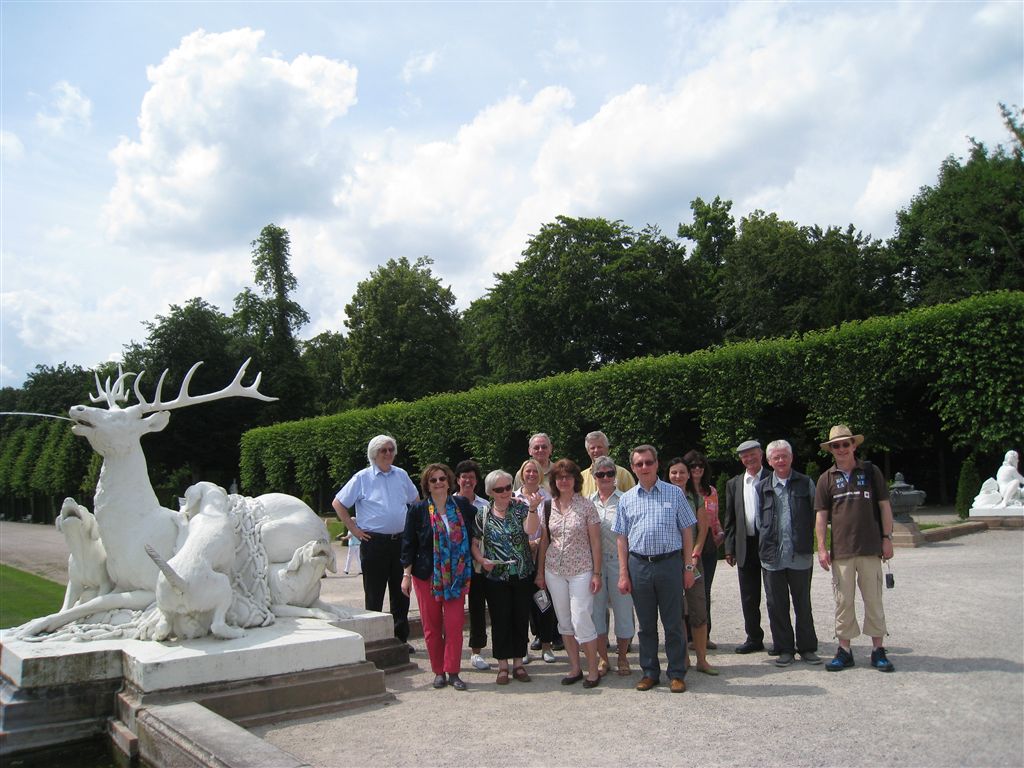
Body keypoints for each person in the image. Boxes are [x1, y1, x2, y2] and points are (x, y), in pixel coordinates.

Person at [614, 445, 698, 693]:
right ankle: (650, 672)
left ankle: (676, 673)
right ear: (633, 467)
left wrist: (689, 567)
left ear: (656, 463)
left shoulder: (674, 494)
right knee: (646, 625)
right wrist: (623, 573)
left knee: (673, 623)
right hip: (639, 565)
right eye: (639, 464)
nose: (644, 467)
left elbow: (687, 531)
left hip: (670, 564)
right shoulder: (627, 499)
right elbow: (621, 538)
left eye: (648, 462)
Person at [815, 425, 896, 673]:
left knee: (873, 600)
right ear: (831, 449)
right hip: (842, 551)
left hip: (870, 547)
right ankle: (845, 650)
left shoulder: (871, 472)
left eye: (845, 444)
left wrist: (887, 537)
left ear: (854, 445)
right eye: (836, 445)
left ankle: (877, 650)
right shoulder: (826, 478)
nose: (841, 449)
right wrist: (821, 547)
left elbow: (884, 507)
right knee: (843, 602)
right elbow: (821, 516)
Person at [333, 435, 419, 650]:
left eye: (391, 449)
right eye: (383, 450)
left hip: (400, 541)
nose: (389, 453)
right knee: (374, 592)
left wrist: (414, 528)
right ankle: (374, 640)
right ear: (374, 454)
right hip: (374, 543)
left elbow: (415, 501)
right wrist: (353, 529)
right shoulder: (362, 477)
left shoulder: (401, 475)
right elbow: (338, 503)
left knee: (401, 593)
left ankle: (400, 639)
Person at [401, 463, 475, 690]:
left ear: (449, 480)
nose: (438, 483)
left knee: (454, 625)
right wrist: (406, 575)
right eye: (433, 480)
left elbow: (476, 534)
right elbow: (408, 544)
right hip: (426, 575)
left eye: (442, 478)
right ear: (427, 485)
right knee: (431, 626)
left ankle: (453, 671)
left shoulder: (462, 505)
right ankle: (438, 671)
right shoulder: (418, 510)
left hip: (456, 575)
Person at [536, 458, 603, 688]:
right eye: (559, 477)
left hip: (581, 569)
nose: (564, 480)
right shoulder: (547, 506)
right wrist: (540, 573)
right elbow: (545, 541)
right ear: (554, 481)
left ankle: (593, 669)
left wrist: (597, 573)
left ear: (576, 479)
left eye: (568, 476)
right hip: (554, 570)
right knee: (564, 621)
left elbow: (596, 542)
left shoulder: (586, 506)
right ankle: (575, 667)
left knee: (581, 616)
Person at [472, 469, 542, 685]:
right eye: (499, 489)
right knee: (500, 619)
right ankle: (502, 665)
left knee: (520, 618)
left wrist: (532, 509)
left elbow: (532, 530)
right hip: (496, 576)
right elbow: (475, 544)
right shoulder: (482, 514)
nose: (504, 492)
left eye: (508, 487)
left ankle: (518, 663)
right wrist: (482, 561)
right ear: (490, 492)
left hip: (521, 573)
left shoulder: (521, 508)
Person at [756, 440, 821, 667]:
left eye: (784, 456)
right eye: (776, 457)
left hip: (799, 554)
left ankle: (807, 648)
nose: (781, 461)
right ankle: (785, 649)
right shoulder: (762, 486)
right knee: (776, 605)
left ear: (791, 458)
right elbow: (758, 521)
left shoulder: (805, 483)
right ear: (769, 461)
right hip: (772, 556)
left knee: (803, 603)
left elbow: (816, 515)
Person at [666, 458, 717, 676]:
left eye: (682, 473)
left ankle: (702, 659)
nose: (678, 476)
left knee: (698, 608)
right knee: (676, 611)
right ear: (668, 475)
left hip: (693, 562)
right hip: (669, 561)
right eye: (673, 473)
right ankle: (683, 657)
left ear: (689, 475)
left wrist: (694, 555)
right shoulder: (663, 497)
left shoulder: (696, 498)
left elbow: (703, 530)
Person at [588, 455, 634, 676]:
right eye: (600, 474)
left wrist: (626, 569)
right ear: (594, 476)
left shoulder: (626, 499)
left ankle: (623, 657)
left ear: (615, 475)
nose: (605, 477)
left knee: (624, 611)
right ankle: (603, 659)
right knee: (596, 613)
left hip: (619, 562)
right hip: (595, 565)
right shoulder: (588, 502)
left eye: (609, 473)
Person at [724, 439, 771, 654]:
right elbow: (730, 518)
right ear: (741, 459)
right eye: (744, 456)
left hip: (769, 544)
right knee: (749, 597)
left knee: (775, 595)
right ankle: (754, 637)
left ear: (761, 455)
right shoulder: (734, 483)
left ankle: (781, 639)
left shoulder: (773, 477)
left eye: (753, 454)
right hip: (745, 544)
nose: (749, 459)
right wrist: (729, 548)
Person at [515, 458, 559, 662]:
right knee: (522, 606)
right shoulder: (514, 499)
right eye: (528, 471)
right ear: (522, 474)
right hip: (521, 559)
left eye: (535, 471)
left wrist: (539, 544)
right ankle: (522, 649)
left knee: (544, 603)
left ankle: (547, 645)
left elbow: (549, 528)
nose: (531, 474)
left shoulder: (548, 497)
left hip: (544, 556)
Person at [683, 450, 724, 648]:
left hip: (708, 546)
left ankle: (704, 636)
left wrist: (719, 539)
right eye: (692, 466)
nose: (697, 468)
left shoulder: (712, 492)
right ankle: (688, 636)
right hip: (687, 543)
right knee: (686, 591)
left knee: (704, 591)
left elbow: (715, 521)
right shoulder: (681, 491)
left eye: (700, 465)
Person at [454, 459, 491, 672]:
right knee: (453, 607)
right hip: (454, 565)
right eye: (464, 476)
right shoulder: (448, 502)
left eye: (471, 477)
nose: (467, 480)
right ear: (458, 480)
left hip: (477, 564)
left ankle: (476, 650)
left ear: (476, 481)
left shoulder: (484, 505)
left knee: (477, 607)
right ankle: (452, 648)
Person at [580, 431, 636, 497]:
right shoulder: (581, 478)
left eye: (599, 447)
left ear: (607, 449)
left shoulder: (623, 474)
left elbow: (633, 500)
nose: (596, 450)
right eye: (592, 448)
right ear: (588, 451)